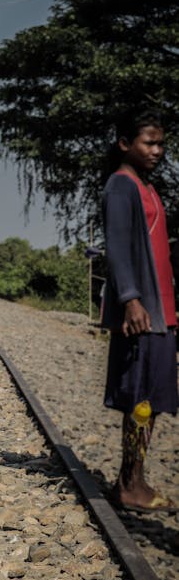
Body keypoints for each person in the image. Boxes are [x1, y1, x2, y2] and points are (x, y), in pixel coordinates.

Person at [101, 109, 178, 512]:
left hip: (159, 313)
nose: (157, 150)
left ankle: (135, 478)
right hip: (142, 312)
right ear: (125, 144)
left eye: (160, 143)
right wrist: (130, 299)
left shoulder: (146, 186)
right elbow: (116, 247)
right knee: (139, 401)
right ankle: (130, 484)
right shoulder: (121, 186)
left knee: (150, 400)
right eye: (149, 142)